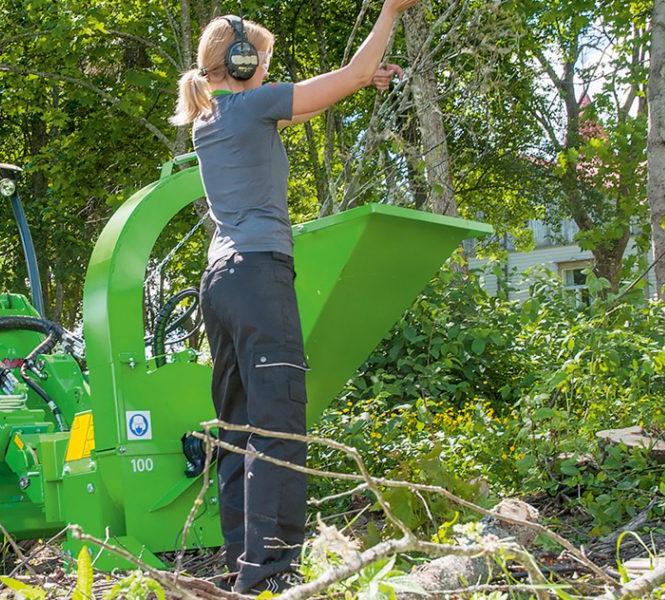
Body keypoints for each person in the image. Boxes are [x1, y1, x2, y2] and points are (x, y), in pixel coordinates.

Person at [169, 0, 419, 595]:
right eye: (263, 62)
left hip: (221, 283)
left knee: (236, 428)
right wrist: (390, 13)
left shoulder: (216, 117)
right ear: (242, 61)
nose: (269, 72)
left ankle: (242, 564)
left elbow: (307, 106)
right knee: (277, 427)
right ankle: (270, 577)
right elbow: (350, 76)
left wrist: (365, 78)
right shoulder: (253, 106)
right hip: (259, 276)